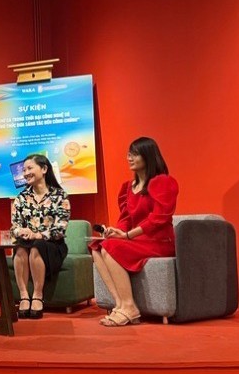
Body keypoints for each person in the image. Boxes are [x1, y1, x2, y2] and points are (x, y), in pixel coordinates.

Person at [89, 137, 179, 327]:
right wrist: (116, 231)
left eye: (135, 154)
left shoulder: (163, 182)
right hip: (138, 239)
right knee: (97, 247)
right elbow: (126, 219)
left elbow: (159, 218)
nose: (129, 158)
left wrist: (128, 236)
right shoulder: (128, 187)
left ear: (148, 156)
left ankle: (130, 306)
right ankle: (120, 304)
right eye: (129, 154)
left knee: (110, 247)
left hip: (158, 241)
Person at [10, 154, 70, 320]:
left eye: (30, 168)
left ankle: (37, 295)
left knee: (37, 245)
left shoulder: (60, 196)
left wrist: (38, 234)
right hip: (27, 243)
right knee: (21, 246)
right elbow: (14, 226)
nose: (26, 173)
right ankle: (24, 296)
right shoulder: (21, 198)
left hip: (53, 244)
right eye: (24, 170)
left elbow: (60, 229)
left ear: (44, 169)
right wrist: (21, 231)